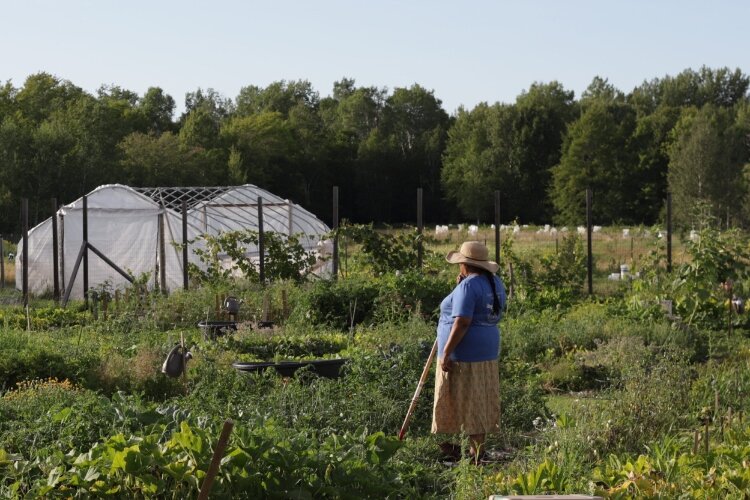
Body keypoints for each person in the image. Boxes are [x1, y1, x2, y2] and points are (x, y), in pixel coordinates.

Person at [432, 240, 506, 462]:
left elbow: (462, 321)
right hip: (486, 349)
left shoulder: (468, 286)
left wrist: (446, 351)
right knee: (478, 398)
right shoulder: (494, 282)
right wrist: (459, 288)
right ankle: (475, 449)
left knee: (466, 398)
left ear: (464, 264)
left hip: (464, 353)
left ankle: (473, 452)